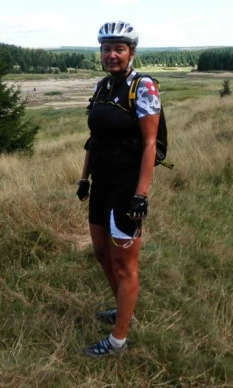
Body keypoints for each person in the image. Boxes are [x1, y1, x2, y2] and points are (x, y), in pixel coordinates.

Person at [77, 21, 161, 357]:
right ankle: (122, 308)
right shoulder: (102, 87)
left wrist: (141, 194)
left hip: (126, 186)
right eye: (106, 49)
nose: (112, 54)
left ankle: (117, 341)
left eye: (119, 49)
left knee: (125, 265)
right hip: (101, 182)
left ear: (131, 52)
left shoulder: (143, 87)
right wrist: (84, 178)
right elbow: (93, 139)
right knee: (101, 253)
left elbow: (150, 143)